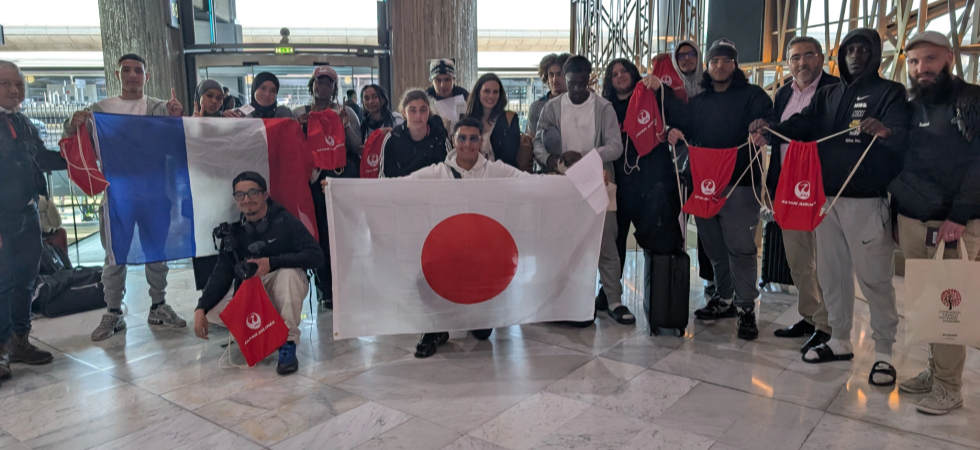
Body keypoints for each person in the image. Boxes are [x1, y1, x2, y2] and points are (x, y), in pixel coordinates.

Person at [756, 29, 909, 385]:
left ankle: (884, 351)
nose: (856, 55)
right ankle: (839, 338)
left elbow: (903, 137)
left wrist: (885, 132)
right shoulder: (827, 95)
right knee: (832, 274)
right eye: (850, 50)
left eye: (863, 49)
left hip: (867, 201)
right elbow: (803, 125)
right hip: (826, 200)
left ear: (876, 54)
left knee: (874, 278)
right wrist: (771, 130)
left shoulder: (890, 93)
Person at [64, 53, 187, 341]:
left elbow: (176, 147)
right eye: (127, 70)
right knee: (115, 255)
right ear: (118, 75)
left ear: (147, 76)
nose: (133, 75)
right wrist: (72, 124)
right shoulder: (100, 110)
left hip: (156, 192)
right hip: (117, 195)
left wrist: (176, 120)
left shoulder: (159, 108)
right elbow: (74, 143)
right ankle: (113, 312)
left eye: (138, 71)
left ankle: (158, 305)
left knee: (156, 252)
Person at [891, 31, 980, 414]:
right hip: (913, 218)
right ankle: (933, 370)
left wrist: (959, 216)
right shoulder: (912, 104)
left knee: (949, 305)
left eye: (929, 60)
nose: (920, 69)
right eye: (913, 62)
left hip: (953, 223)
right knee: (928, 301)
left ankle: (949, 386)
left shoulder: (972, 100)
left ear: (948, 59)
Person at [668, 38, 773, 340]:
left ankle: (745, 309)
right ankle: (723, 299)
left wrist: (762, 126)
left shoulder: (752, 95)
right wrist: (673, 131)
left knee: (740, 248)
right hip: (704, 185)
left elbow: (771, 118)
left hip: (740, 183)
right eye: (714, 61)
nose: (720, 66)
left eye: (726, 60)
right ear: (708, 66)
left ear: (735, 64)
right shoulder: (700, 101)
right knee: (713, 246)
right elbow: (683, 127)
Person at [406, 117, 531, 357]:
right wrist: (341, 188)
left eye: (474, 138)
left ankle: (475, 315)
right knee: (425, 279)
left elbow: (532, 183)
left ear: (481, 141)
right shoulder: (437, 173)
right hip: (448, 253)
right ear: (453, 140)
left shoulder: (496, 171)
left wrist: (576, 182)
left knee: (483, 333)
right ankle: (435, 328)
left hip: (483, 257)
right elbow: (397, 187)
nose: (468, 144)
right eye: (462, 137)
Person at [193, 172, 323, 374]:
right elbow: (222, 272)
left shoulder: (285, 221)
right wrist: (200, 307)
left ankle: (287, 342)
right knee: (212, 308)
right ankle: (259, 332)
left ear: (265, 194)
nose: (247, 199)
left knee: (288, 275)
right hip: (254, 288)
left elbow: (316, 256)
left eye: (253, 192)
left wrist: (272, 262)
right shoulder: (234, 231)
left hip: (283, 284)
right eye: (240, 195)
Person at [533, 55, 628, 325]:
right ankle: (562, 298)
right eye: (571, 82)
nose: (576, 88)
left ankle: (614, 299)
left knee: (605, 242)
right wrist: (552, 160)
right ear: (563, 77)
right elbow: (538, 142)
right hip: (562, 185)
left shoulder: (603, 107)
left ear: (589, 79)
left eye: (581, 82)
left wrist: (586, 157)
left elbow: (615, 146)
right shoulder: (551, 107)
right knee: (562, 242)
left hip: (598, 179)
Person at [764, 36, 837, 354]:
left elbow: (806, 128)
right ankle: (810, 317)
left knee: (826, 263)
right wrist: (771, 186)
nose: (802, 62)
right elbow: (777, 142)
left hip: (823, 189)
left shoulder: (835, 90)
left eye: (809, 55)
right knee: (798, 261)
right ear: (788, 62)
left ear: (821, 58)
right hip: (789, 189)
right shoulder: (782, 93)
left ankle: (829, 325)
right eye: (795, 57)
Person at [604, 59, 685, 319]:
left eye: (624, 71)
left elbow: (678, 116)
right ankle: (609, 294)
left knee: (657, 238)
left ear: (633, 74)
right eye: (614, 74)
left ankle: (661, 297)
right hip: (619, 184)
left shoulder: (652, 95)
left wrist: (662, 90)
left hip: (652, 183)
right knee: (614, 243)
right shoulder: (605, 108)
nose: (619, 77)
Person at [0, 60, 55, 382]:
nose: (13, 89)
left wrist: (79, 145)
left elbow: (44, 159)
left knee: (26, 280)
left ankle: (20, 340)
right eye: (5, 83)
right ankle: (1, 347)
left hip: (28, 214)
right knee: (3, 285)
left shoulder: (25, 123)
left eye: (18, 84)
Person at [293, 66, 362, 308]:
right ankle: (325, 288)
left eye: (328, 83)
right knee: (319, 235)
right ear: (311, 85)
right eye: (318, 82)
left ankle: (347, 283)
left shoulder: (346, 112)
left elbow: (357, 147)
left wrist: (343, 125)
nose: (322, 87)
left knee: (343, 234)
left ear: (334, 88)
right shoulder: (298, 113)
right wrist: (299, 129)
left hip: (339, 179)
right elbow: (291, 150)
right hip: (312, 182)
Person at [668, 40, 716, 305]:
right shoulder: (668, 91)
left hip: (706, 166)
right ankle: (673, 275)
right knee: (677, 224)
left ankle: (711, 278)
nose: (686, 59)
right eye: (681, 55)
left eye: (691, 54)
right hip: (675, 167)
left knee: (707, 225)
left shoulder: (711, 89)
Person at [380, 89, 451, 178]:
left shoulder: (440, 137)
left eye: (423, 110)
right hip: (402, 190)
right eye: (413, 110)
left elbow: (450, 173)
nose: (418, 116)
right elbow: (383, 177)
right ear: (404, 112)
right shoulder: (392, 138)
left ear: (429, 111)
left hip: (433, 190)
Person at [464, 73, 521, 168]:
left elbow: (510, 155)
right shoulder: (467, 121)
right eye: (487, 91)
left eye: (495, 92)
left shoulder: (510, 119)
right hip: (473, 175)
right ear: (478, 93)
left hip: (502, 175)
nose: (491, 96)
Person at [527, 53, 571, 138]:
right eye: (551, 75)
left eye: (559, 74)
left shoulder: (576, 102)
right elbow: (531, 139)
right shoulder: (536, 106)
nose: (554, 79)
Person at [224, 72, 293, 119]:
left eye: (272, 91)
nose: (267, 94)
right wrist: (222, 117)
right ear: (254, 90)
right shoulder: (239, 114)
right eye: (263, 88)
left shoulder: (283, 114)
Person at [426, 58, 469, 131]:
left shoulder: (465, 96)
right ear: (432, 82)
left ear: (454, 79)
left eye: (447, 79)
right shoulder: (425, 99)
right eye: (438, 80)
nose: (443, 85)